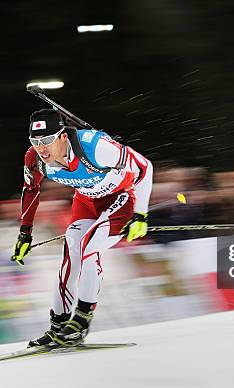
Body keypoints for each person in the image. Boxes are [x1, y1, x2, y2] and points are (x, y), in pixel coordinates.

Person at [11, 109, 153, 348]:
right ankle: (58, 326)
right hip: (86, 202)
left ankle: (80, 322)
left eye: (47, 141)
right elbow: (31, 191)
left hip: (120, 198)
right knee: (71, 252)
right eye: (35, 142)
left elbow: (144, 167)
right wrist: (25, 233)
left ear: (63, 137)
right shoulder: (33, 159)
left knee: (89, 248)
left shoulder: (95, 147)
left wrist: (141, 214)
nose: (41, 149)